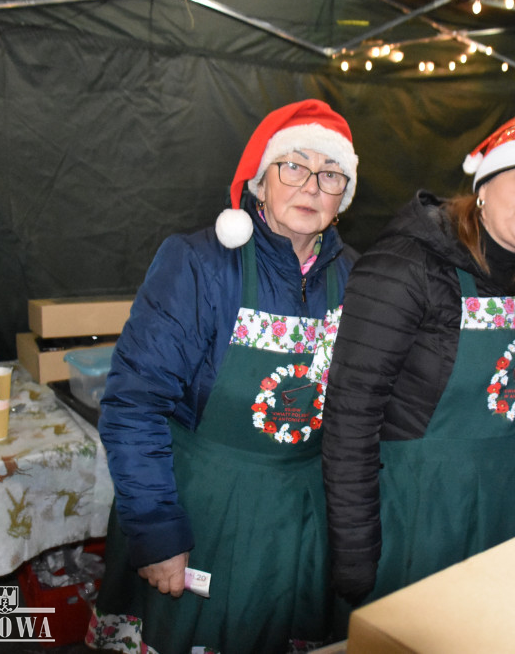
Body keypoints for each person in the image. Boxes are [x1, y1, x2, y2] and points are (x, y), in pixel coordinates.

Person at [88, 99, 360, 654]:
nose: (311, 185)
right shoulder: (199, 263)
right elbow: (134, 405)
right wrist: (157, 531)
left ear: (344, 196)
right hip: (202, 511)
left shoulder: (357, 277)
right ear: (260, 183)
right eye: (294, 166)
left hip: (299, 525)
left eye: (330, 174)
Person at [321, 94, 515, 617]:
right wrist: (355, 552)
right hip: (417, 512)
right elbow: (350, 414)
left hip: (501, 506)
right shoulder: (407, 264)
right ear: (484, 186)